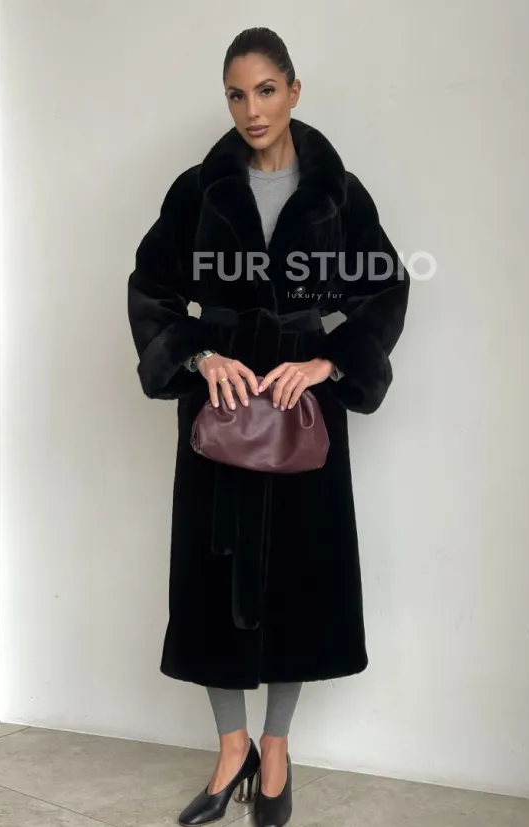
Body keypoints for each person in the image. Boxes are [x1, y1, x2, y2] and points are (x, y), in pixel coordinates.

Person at [127, 26, 410, 827]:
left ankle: (276, 750)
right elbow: (150, 289)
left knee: (299, 582)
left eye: (265, 90)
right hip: (220, 406)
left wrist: (328, 363)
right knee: (210, 582)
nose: (251, 109)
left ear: (293, 90)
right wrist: (198, 353)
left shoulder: (337, 193)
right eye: (235, 94)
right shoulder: (198, 191)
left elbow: (385, 289)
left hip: (300, 409)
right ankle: (231, 750)